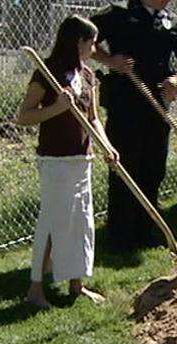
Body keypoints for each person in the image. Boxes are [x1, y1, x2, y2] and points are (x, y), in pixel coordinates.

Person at [90, 0, 177, 250]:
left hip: (158, 105)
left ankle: (147, 230)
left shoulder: (170, 22)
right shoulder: (118, 14)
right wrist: (110, 61)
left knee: (153, 168)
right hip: (126, 105)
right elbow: (84, 42)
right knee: (126, 168)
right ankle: (120, 235)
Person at [16, 15, 115, 309]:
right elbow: (24, 116)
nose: (95, 48)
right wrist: (57, 108)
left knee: (81, 223)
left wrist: (108, 147)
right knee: (52, 223)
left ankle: (76, 284)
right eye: (91, 42)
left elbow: (93, 119)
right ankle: (35, 289)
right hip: (55, 162)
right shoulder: (47, 72)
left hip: (81, 159)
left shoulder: (87, 75)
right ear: (78, 42)